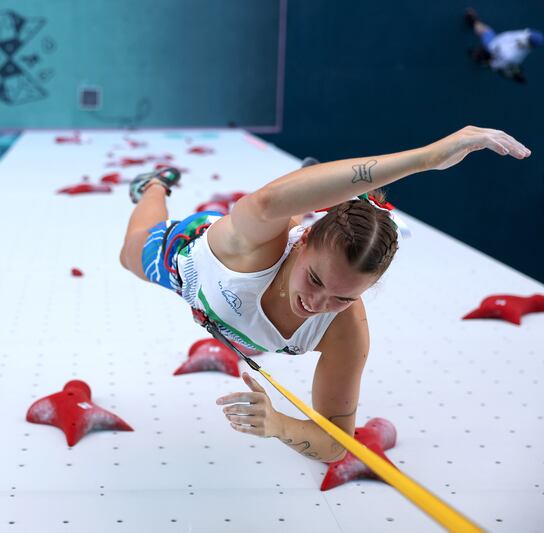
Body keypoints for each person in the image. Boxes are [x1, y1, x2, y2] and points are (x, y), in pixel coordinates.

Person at [119, 126, 530, 462]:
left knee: (292, 227)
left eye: (343, 298)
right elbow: (267, 202)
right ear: (305, 239)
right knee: (130, 252)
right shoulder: (256, 241)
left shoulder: (345, 332)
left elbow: (336, 441)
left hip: (283, 246)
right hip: (202, 259)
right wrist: (425, 159)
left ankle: (312, 189)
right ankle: (154, 185)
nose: (317, 305)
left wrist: (279, 425)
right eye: (316, 280)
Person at [465, 8, 543, 83]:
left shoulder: (511, 56)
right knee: (485, 31)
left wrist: (488, 63)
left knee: (487, 61)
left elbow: (495, 65)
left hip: (493, 51)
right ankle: (515, 73)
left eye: (528, 41)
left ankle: (513, 74)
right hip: (497, 43)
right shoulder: (527, 34)